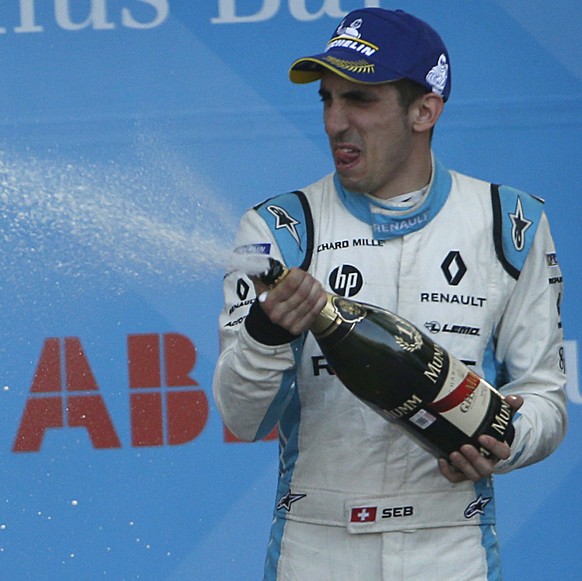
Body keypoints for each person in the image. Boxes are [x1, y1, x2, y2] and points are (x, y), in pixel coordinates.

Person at [213, 8, 567, 580]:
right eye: (327, 99)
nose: (334, 122)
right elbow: (241, 418)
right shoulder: (279, 230)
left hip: (451, 545)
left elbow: (544, 400)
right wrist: (266, 333)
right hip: (317, 545)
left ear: (424, 110)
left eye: (360, 99)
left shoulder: (510, 222)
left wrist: (505, 439)